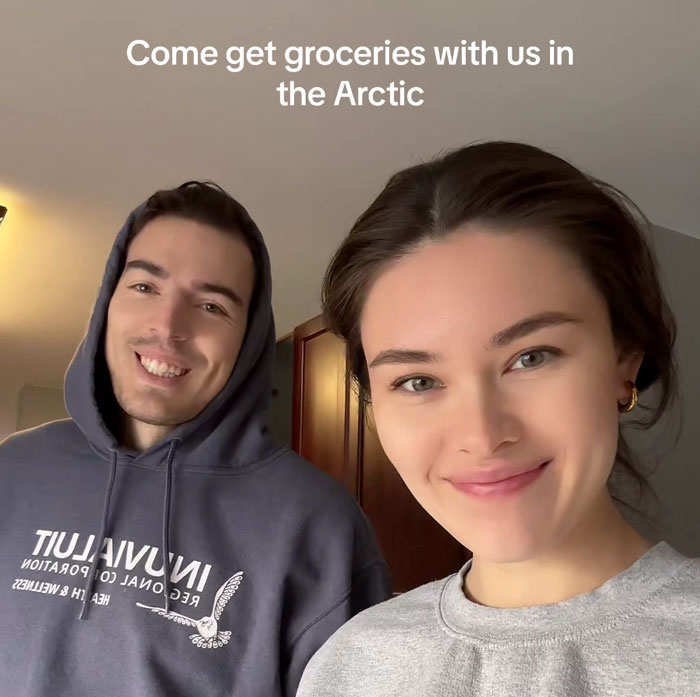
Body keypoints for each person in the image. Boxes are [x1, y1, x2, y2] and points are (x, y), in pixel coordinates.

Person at [297, 142, 700, 696]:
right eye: (418, 381)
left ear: (623, 362)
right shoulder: (349, 666)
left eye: (530, 357)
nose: (481, 436)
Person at [0, 181, 391, 696]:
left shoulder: (318, 525)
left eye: (210, 306)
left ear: (248, 339)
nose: (167, 326)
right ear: (108, 303)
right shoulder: (15, 470)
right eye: (145, 287)